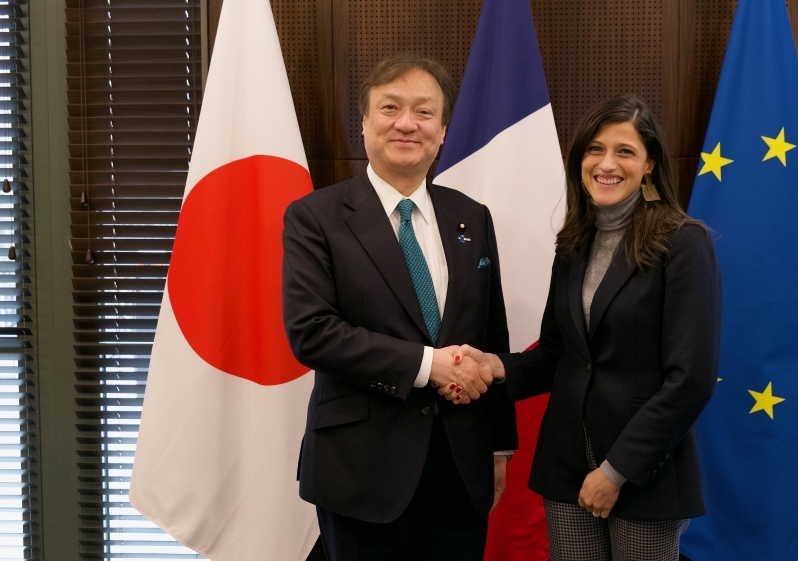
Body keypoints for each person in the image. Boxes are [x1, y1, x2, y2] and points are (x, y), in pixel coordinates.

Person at [449, 94, 722, 561]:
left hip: (644, 472)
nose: (606, 163)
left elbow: (691, 381)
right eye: (595, 149)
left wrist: (615, 472)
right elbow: (558, 354)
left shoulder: (683, 243)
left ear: (650, 164)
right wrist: (495, 366)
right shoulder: (573, 243)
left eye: (624, 151)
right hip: (567, 463)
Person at [281, 54, 518, 561]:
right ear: (365, 122)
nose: (407, 123)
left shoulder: (471, 216)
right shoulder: (315, 217)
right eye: (390, 108)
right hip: (360, 470)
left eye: (424, 112)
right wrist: (429, 365)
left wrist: (498, 445)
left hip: (460, 466)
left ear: (443, 130)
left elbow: (491, 334)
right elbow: (313, 332)